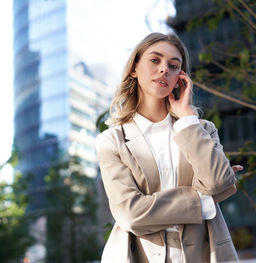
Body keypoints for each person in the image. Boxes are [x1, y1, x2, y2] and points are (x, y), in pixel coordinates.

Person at [96, 32, 241, 262]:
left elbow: (218, 182)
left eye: (174, 66)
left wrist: (186, 119)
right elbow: (131, 213)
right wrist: (204, 201)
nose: (165, 69)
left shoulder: (201, 129)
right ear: (134, 68)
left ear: (180, 78)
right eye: (155, 60)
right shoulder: (112, 140)